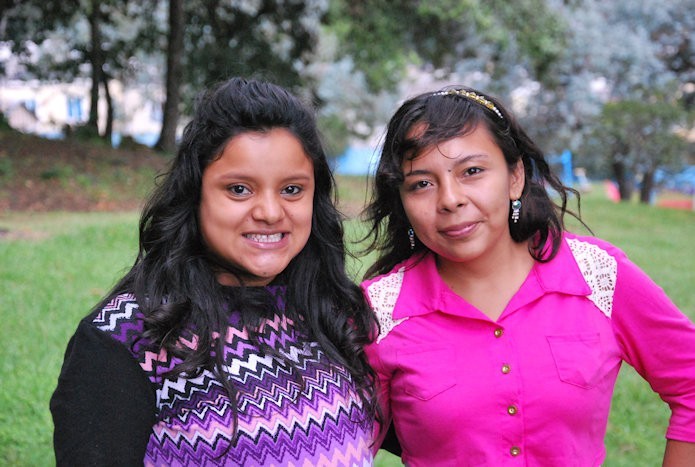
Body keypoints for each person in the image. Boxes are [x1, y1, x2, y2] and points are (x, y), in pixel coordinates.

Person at [50, 77, 379, 466]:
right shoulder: (126, 338)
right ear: (195, 195)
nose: (270, 212)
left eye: (292, 189)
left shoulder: (333, 311)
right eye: (239, 189)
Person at [360, 86, 695, 466]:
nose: (450, 199)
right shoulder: (377, 312)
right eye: (421, 183)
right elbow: (337, 445)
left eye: (472, 171)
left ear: (515, 176)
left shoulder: (598, 276)